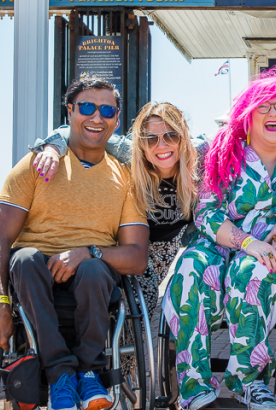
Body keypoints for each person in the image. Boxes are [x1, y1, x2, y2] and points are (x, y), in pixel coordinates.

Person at [163, 71, 276, 410]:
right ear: (248, 114)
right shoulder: (224, 154)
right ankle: (193, 385)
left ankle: (247, 380)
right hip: (223, 247)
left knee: (253, 267)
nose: (273, 114)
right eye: (264, 107)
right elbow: (206, 212)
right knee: (188, 267)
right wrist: (246, 241)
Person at [0, 77, 150, 410]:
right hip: (32, 282)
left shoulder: (126, 177)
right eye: (86, 107)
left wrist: (89, 251)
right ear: (69, 112)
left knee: (92, 266)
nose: (96, 117)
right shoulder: (35, 165)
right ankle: (59, 375)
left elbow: (136, 256)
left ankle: (88, 374)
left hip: (93, 283)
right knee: (24, 258)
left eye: (106, 110)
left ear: (117, 120)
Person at [29, 102, 200, 331]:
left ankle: (125, 362)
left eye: (171, 136)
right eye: (151, 138)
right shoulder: (126, 151)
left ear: (183, 138)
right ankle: (112, 363)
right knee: (132, 306)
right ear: (140, 143)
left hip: (167, 248)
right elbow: (71, 133)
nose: (162, 145)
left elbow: (237, 141)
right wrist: (52, 149)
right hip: (127, 244)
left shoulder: (200, 159)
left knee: (149, 303)